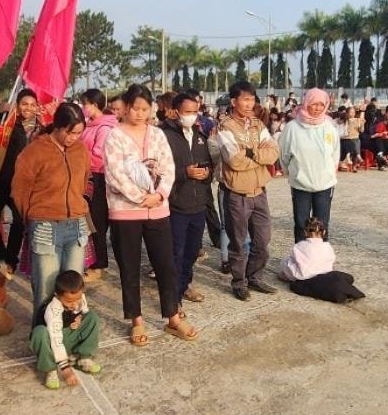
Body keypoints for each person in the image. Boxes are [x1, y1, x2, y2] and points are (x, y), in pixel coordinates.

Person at [104, 84, 198, 345]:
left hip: (157, 209)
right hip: (125, 211)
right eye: (136, 108)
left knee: (166, 264)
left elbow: (168, 166)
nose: (140, 113)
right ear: (125, 107)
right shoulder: (114, 136)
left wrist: (158, 195)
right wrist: (139, 197)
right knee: (129, 267)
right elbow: (115, 174)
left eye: (145, 109)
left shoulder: (157, 134)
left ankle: (172, 316)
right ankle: (136, 319)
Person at [10, 102, 91, 319]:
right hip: (45, 225)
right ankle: (43, 339)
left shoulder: (81, 150)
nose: (74, 137)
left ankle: (68, 335)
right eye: (70, 132)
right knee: (46, 289)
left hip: (76, 224)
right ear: (58, 126)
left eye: (79, 133)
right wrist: (34, 215)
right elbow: (20, 192)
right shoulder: (34, 152)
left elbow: (83, 183)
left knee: (73, 288)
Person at [215, 80, 279, 301]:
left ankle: (255, 276)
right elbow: (234, 161)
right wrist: (257, 156)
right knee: (238, 242)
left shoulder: (258, 125)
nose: (249, 103)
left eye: (252, 99)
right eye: (245, 99)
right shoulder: (224, 127)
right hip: (237, 195)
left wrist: (250, 153)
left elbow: (273, 153)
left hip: (259, 192)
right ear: (234, 101)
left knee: (263, 240)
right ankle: (239, 282)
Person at [160, 91, 214, 303]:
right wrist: (185, 173)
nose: (192, 116)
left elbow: (208, 163)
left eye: (195, 111)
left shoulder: (200, 136)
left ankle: (184, 286)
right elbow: (160, 171)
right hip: (175, 205)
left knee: (192, 252)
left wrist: (206, 172)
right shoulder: (164, 136)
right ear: (175, 112)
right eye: (187, 112)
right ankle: (173, 299)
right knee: (176, 253)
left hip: (198, 205)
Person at [0, 89, 40, 278]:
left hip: (24, 184)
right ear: (17, 105)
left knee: (19, 222)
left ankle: (11, 260)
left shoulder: (41, 128)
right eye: (24, 104)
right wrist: (3, 111)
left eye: (33, 105)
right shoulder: (6, 122)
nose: (28, 108)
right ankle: (0, 256)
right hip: (0, 179)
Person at [277, 88, 340, 242]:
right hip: (300, 184)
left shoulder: (329, 127)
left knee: (322, 223)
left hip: (324, 184)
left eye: (321, 105)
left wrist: (330, 172)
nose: (318, 108)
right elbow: (283, 154)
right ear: (306, 103)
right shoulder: (292, 128)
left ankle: (321, 259)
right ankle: (301, 258)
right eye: (314, 104)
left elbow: (335, 154)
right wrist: (292, 173)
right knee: (301, 223)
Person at [31, 270, 101, 390]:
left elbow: (84, 311)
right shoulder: (52, 310)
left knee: (92, 317)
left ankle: (83, 358)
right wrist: (66, 370)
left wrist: (79, 318)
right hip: (52, 344)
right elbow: (55, 339)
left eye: (77, 299)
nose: (74, 304)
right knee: (39, 332)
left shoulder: (79, 297)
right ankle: (51, 370)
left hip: (67, 338)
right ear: (57, 296)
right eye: (69, 301)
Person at [279, 217, 364, 304]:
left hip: (305, 277)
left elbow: (293, 266)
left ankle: (286, 276)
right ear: (323, 232)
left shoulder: (299, 246)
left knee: (286, 263)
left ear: (305, 232)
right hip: (325, 273)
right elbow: (331, 260)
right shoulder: (327, 246)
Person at [79, 89, 116, 281]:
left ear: (94, 104)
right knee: (88, 221)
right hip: (87, 176)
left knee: (97, 222)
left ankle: (99, 264)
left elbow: (99, 156)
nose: (83, 107)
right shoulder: (88, 125)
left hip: (99, 178)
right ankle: (91, 260)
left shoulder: (105, 128)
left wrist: (78, 157)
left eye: (85, 103)